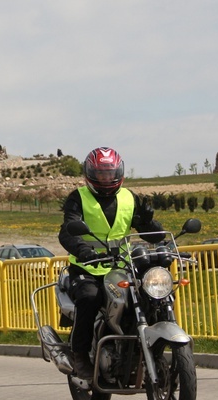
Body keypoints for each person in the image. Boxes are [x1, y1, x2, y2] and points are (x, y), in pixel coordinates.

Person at [58, 147, 163, 381]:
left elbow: (153, 236)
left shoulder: (128, 197)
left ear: (119, 172)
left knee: (152, 295)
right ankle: (80, 355)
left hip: (120, 269)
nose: (106, 178)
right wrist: (82, 250)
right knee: (89, 298)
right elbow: (68, 231)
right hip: (87, 269)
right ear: (90, 173)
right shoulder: (78, 197)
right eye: (101, 174)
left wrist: (149, 223)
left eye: (109, 173)